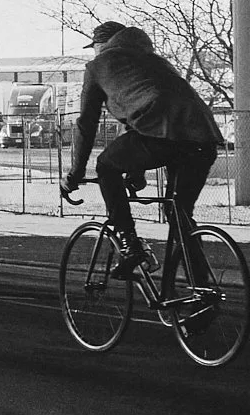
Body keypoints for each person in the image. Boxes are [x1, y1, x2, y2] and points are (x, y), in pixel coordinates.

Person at [60, 21, 220, 276]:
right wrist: (136, 171)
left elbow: (87, 123)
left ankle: (129, 243)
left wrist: (75, 174)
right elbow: (147, 107)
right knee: (179, 213)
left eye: (94, 47)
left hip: (162, 136)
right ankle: (202, 288)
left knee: (106, 165)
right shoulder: (154, 61)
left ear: (102, 44)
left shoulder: (99, 65)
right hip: (204, 137)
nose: (93, 52)